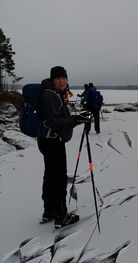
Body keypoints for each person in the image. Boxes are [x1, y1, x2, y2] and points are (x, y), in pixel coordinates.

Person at [37, 66, 87, 229]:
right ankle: (61, 215)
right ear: (52, 80)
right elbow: (54, 122)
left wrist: (75, 119)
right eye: (59, 78)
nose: (63, 81)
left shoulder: (54, 94)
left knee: (51, 176)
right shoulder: (49, 96)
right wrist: (74, 121)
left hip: (49, 140)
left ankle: (49, 211)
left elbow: (57, 118)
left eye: (65, 78)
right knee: (58, 178)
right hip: (53, 142)